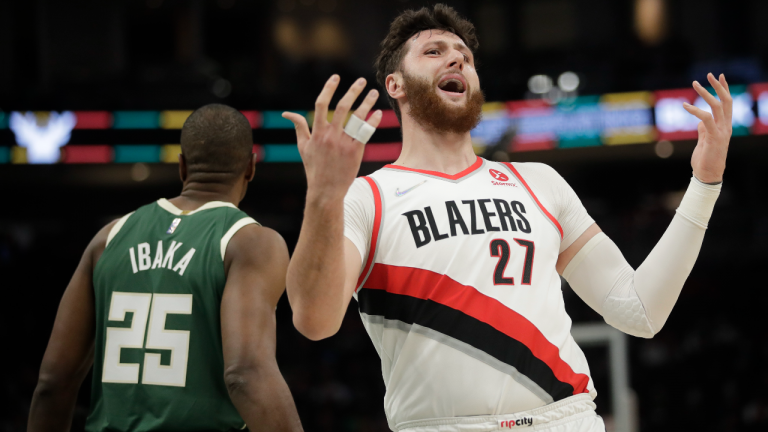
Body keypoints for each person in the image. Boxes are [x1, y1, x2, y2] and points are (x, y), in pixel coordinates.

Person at [283, 4, 730, 432]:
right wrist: (324, 194)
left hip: (565, 421)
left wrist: (704, 184)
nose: (456, 60)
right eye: (434, 52)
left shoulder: (540, 182)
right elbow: (314, 321)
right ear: (395, 84)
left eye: (466, 57)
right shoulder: (367, 197)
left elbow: (640, 310)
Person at [28, 104, 303, 432]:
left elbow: (52, 384)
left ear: (182, 166)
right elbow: (246, 374)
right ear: (250, 168)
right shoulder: (251, 243)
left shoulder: (108, 239)